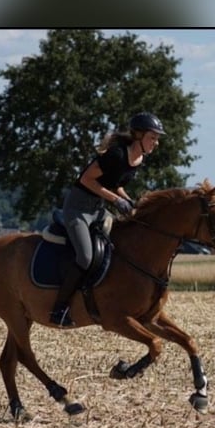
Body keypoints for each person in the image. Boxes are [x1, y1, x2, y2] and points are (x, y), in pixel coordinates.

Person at [49, 111, 166, 327]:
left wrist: (128, 201)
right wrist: (115, 199)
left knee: (120, 247)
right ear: (138, 136)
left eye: (157, 138)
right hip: (78, 210)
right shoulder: (116, 155)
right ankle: (60, 308)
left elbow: (115, 182)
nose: (156, 143)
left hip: (98, 210)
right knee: (85, 257)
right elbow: (85, 179)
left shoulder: (138, 159)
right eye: (153, 137)